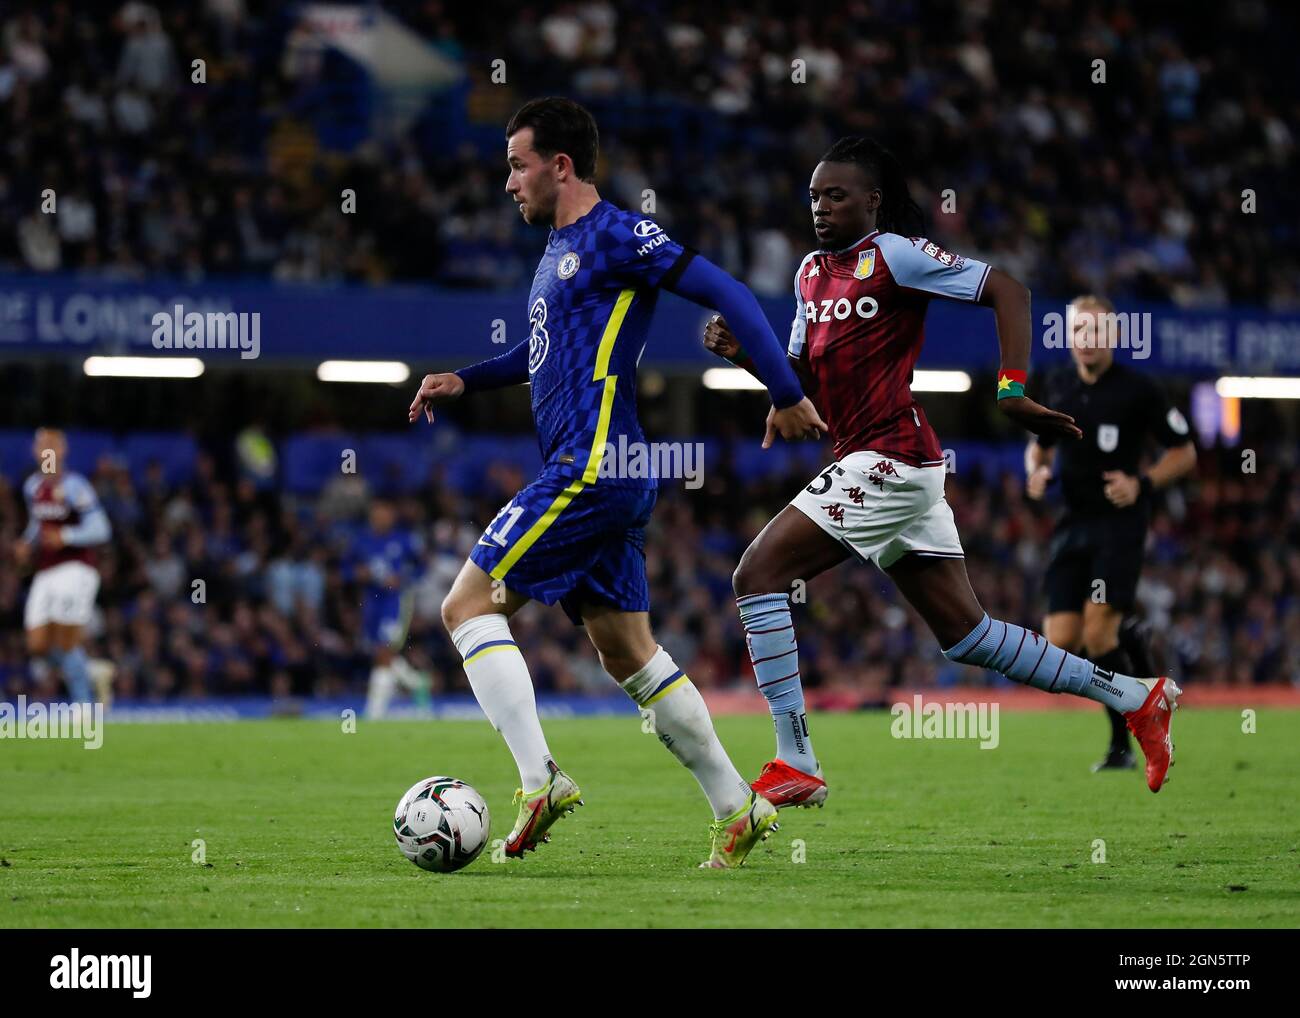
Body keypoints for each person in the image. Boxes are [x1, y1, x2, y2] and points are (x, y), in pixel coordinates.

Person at [408, 97, 826, 868]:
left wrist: (784, 389)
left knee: (465, 605)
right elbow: (537, 358)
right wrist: (463, 382)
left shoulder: (617, 235)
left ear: (559, 166)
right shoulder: (556, 253)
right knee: (627, 651)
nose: (509, 185)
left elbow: (727, 291)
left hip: (594, 465)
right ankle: (738, 806)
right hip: (606, 472)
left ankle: (539, 781)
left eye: (517, 166)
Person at [703, 137, 1181, 806]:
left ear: (872, 201)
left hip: (892, 457)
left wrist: (1012, 392)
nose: (821, 206)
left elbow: (1008, 291)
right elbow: (805, 380)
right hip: (879, 461)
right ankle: (1138, 696)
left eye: (836, 195)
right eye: (814, 195)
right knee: (970, 636)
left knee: (757, 574)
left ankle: (796, 760)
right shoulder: (809, 272)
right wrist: (745, 358)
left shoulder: (895, 254)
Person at [1026, 295, 1197, 771]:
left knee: (1099, 635)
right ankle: (1136, 649)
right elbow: (1038, 449)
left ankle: (1124, 743)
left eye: (1096, 331)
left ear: (1114, 337)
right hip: (1072, 523)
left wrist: (1141, 482)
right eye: (1079, 331)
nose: (1087, 340)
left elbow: (1184, 452)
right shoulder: (1055, 385)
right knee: (1061, 646)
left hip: (1119, 524)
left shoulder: (1140, 390)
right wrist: (1036, 473)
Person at [15, 428, 112, 705]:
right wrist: (26, 542)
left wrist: (66, 536)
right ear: (35, 452)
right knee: (37, 644)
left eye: (52, 445)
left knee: (65, 640)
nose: (46, 450)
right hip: (46, 571)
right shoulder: (32, 486)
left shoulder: (74, 486)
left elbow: (101, 529)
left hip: (75, 568)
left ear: (62, 451)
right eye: (41, 445)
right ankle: (92, 670)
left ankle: (83, 705)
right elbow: (38, 523)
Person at [351, 499, 432, 718]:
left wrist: (404, 579)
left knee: (384, 651)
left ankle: (374, 713)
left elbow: (423, 565)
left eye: (384, 514)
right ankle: (416, 682)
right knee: (378, 652)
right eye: (376, 515)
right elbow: (345, 569)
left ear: (392, 517)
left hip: (395, 600)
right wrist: (358, 574)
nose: (380, 519)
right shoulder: (362, 541)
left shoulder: (404, 540)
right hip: (371, 601)